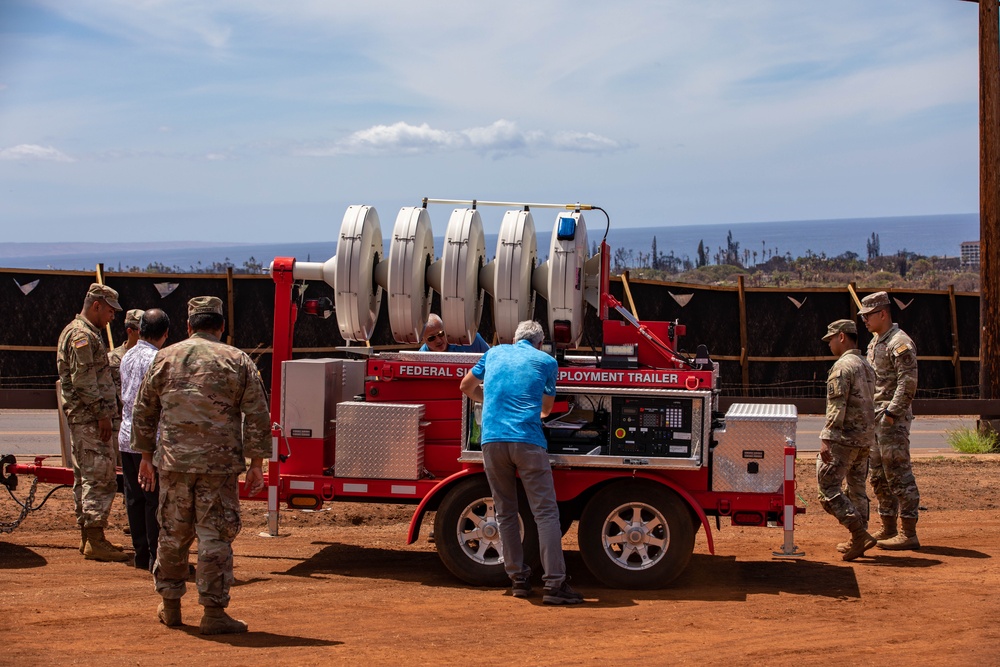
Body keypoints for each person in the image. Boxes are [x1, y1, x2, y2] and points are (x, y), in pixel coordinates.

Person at [132, 296, 270, 634]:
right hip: (218, 467)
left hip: (174, 463)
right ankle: (213, 613)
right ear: (221, 326)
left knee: (173, 533)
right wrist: (256, 463)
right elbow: (256, 413)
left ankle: (170, 607)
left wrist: (146, 458)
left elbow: (144, 409)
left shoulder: (165, 357)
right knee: (215, 537)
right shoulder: (238, 360)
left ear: (189, 325)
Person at [459, 320, 583, 605]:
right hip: (527, 441)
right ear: (540, 342)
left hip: (492, 441)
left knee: (505, 512)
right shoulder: (546, 361)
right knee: (546, 514)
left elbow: (465, 385)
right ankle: (555, 584)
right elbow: (547, 409)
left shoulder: (493, 353)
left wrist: (487, 400)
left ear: (514, 339)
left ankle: (518, 580)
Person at [56, 282, 129, 563]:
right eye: (110, 311)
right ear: (96, 305)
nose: (113, 317)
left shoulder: (83, 333)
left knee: (86, 477)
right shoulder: (82, 335)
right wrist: (102, 414)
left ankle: (89, 537)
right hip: (90, 418)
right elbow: (84, 380)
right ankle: (95, 539)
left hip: (85, 417)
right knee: (99, 476)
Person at [859, 291, 921, 550]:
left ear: (882, 313)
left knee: (897, 473)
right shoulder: (876, 342)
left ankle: (908, 532)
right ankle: (888, 526)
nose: (864, 320)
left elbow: (907, 382)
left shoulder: (899, 342)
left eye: (868, 315)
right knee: (878, 475)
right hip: (876, 418)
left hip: (890, 420)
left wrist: (892, 413)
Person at [817, 319, 877, 561]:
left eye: (830, 339)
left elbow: (836, 406)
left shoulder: (843, 367)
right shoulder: (866, 364)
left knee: (827, 487)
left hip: (844, 438)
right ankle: (858, 539)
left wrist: (827, 438)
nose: (829, 344)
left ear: (842, 337)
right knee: (856, 488)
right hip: (864, 439)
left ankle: (859, 533)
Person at [118, 308, 170, 572]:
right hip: (150, 441)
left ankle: (140, 555)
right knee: (153, 501)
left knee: (134, 497)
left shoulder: (126, 356)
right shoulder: (159, 359)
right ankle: (155, 558)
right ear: (165, 334)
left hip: (127, 436)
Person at [419, 313, 490, 352]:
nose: (438, 340)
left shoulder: (470, 341)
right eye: (431, 338)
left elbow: (492, 360)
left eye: (441, 334)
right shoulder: (421, 358)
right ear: (422, 339)